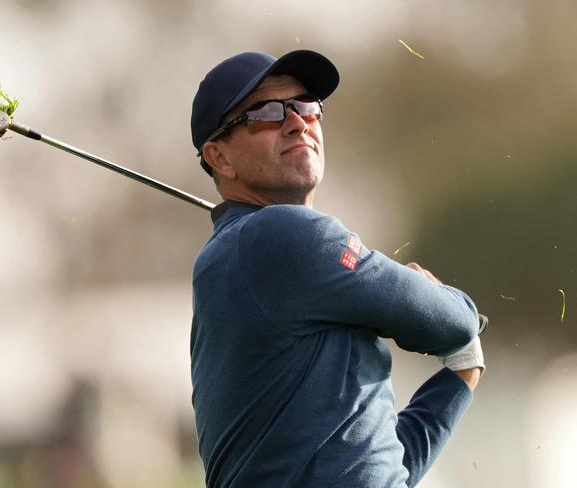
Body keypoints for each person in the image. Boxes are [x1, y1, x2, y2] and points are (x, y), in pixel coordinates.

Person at [189, 50, 485, 488]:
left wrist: (461, 375)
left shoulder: (251, 254)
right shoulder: (278, 233)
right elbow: (454, 322)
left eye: (306, 106)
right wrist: (458, 308)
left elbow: (380, 468)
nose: (297, 122)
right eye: (267, 113)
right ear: (220, 157)